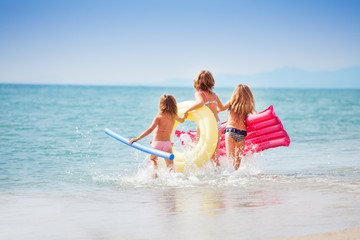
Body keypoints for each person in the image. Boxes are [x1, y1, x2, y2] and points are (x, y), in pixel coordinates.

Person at [129, 94, 186, 174]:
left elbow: (150, 130)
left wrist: (137, 138)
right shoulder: (174, 116)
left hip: (157, 144)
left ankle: (155, 175)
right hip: (167, 144)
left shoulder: (159, 117)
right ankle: (173, 181)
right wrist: (184, 115)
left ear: (161, 105)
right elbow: (182, 120)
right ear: (174, 105)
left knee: (153, 160)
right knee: (170, 166)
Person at [183, 70, 225, 167]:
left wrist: (186, 111)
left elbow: (200, 103)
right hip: (217, 124)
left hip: (206, 125)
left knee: (199, 151)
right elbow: (222, 108)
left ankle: (201, 174)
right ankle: (219, 176)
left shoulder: (200, 94)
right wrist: (216, 110)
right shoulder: (214, 95)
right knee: (214, 155)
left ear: (197, 82)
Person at [220, 84, 256, 170]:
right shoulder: (248, 106)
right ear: (248, 95)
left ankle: (230, 175)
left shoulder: (231, 102)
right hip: (242, 133)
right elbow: (255, 115)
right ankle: (236, 174)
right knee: (238, 158)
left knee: (230, 158)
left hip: (230, 131)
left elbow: (222, 108)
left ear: (235, 93)